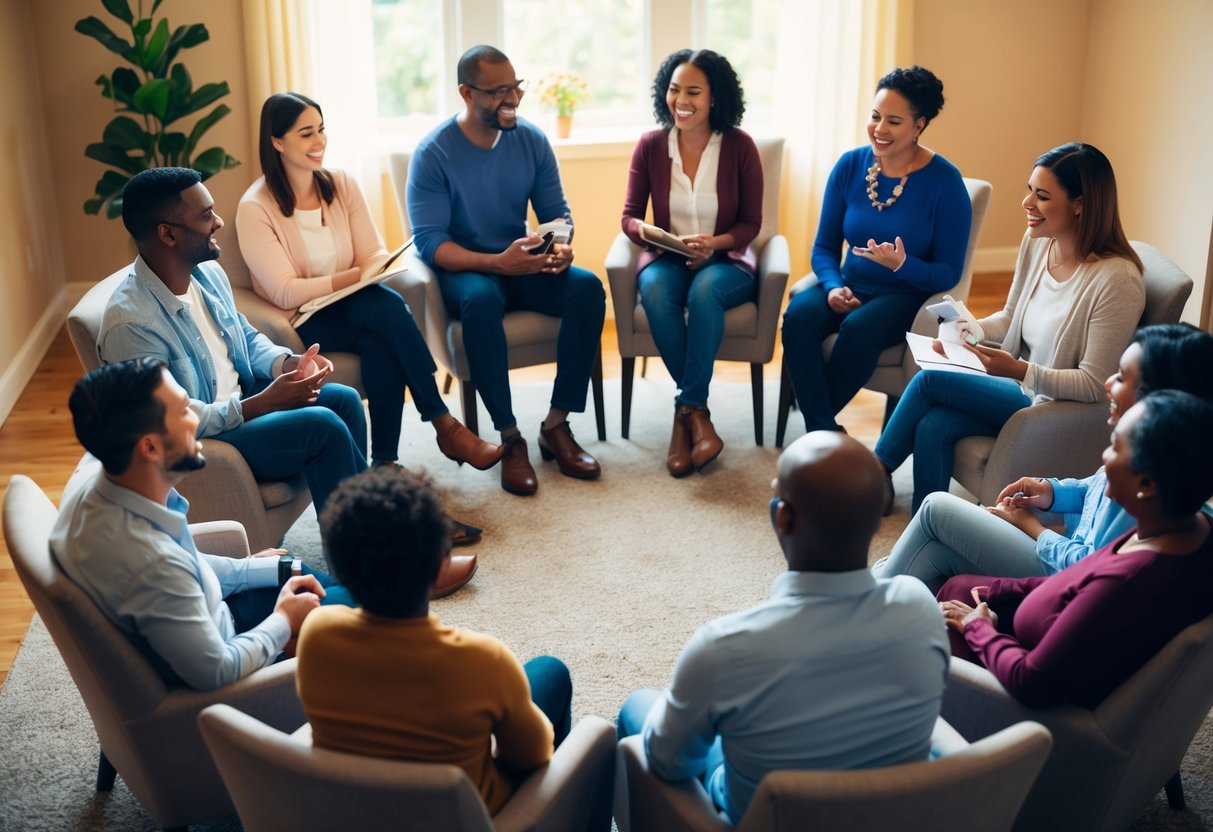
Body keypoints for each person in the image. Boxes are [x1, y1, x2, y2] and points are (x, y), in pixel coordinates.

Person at [616, 431, 947, 824]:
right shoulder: (922, 608)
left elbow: (668, 762)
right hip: (890, 814)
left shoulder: (724, 649)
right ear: (877, 522)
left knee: (639, 706)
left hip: (752, 816)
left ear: (781, 517)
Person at [236, 92, 503, 483]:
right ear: (276, 141)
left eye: (322, 130)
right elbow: (284, 292)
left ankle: (385, 463)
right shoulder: (255, 207)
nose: (320, 141)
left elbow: (373, 255)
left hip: (357, 306)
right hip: (303, 322)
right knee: (385, 308)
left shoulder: (341, 184)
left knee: (381, 333)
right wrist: (353, 277)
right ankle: (444, 424)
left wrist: (362, 274)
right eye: (306, 133)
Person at [874, 142, 1145, 513]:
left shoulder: (1117, 280)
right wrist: (967, 333)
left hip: (1049, 404)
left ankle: (871, 477)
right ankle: (928, 524)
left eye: (1043, 195)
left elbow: (1093, 385)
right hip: (1016, 386)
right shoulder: (1038, 244)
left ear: (1080, 204)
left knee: (928, 381)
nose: (1027, 203)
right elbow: (1010, 315)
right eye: (1029, 190)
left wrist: (1017, 369)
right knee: (934, 425)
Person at [51, 358, 344, 691]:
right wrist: (283, 621)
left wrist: (248, 569)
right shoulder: (147, 563)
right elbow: (217, 669)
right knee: (373, 617)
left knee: (322, 582)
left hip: (218, 607)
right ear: (150, 446)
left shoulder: (105, 478)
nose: (197, 418)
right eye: (184, 410)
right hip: (239, 645)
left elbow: (184, 565)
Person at [296, 465, 573, 814]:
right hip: (473, 816)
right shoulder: (483, 661)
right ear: (441, 563)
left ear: (340, 565)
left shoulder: (317, 633)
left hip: (359, 812)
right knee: (552, 671)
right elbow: (531, 755)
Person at [873, 324, 1213, 593]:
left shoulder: (1144, 492)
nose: (1108, 383)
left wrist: (1031, 527)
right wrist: (1050, 492)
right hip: (1059, 559)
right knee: (933, 552)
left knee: (937, 509)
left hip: (1059, 578)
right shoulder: (1141, 462)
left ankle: (870, 601)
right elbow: (1092, 488)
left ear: (1158, 399)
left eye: (1122, 377)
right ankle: (886, 604)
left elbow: (1084, 568)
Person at [407, 45, 607, 496]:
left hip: (522, 261)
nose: (511, 98)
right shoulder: (434, 154)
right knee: (480, 300)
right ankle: (509, 437)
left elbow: (558, 212)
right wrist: (498, 262)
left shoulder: (531, 140)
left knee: (588, 288)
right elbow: (431, 244)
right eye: (497, 91)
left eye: (515, 86)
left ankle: (556, 425)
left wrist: (560, 247)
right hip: (468, 268)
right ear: (466, 93)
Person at [938, 390, 1213, 709]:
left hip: (1023, 685)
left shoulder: (1129, 580)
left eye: (1115, 447)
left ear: (1148, 485)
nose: (1104, 459)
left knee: (921, 624)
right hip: (1031, 630)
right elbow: (1080, 578)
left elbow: (1032, 682)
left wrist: (978, 628)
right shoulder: (1172, 523)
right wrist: (1001, 590)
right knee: (954, 588)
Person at [780, 65, 971, 436]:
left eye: (894, 121)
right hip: (849, 283)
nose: (879, 129)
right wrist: (833, 286)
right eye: (875, 116)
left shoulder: (945, 184)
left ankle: (815, 428)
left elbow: (949, 271)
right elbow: (823, 246)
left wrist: (903, 264)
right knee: (798, 316)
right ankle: (823, 430)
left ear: (919, 125)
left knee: (859, 329)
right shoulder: (851, 165)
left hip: (904, 296)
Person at [620, 49, 762, 477]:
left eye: (693, 92)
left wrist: (712, 243)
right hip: (668, 255)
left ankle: (684, 416)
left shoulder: (740, 146)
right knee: (657, 290)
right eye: (674, 89)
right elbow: (628, 216)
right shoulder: (650, 145)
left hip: (725, 259)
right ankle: (696, 415)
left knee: (705, 293)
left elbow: (751, 223)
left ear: (715, 97)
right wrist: (654, 235)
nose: (681, 100)